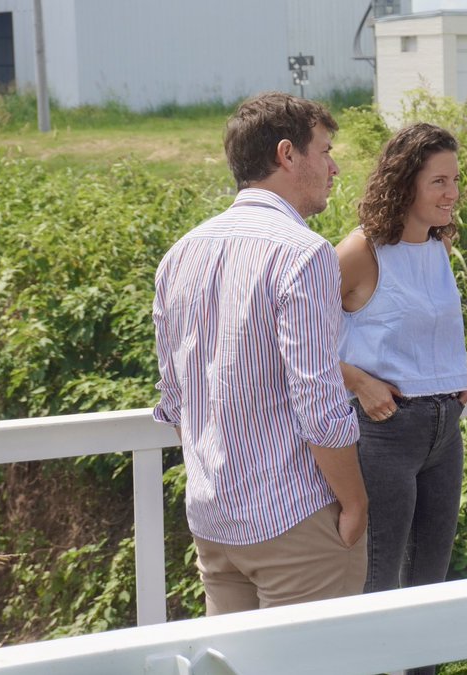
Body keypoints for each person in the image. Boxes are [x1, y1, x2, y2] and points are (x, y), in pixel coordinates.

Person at [152, 92, 368, 615]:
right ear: (288, 154)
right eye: (326, 151)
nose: (335, 167)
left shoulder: (180, 254)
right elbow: (318, 401)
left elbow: (176, 398)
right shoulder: (303, 253)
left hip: (213, 521)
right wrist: (356, 502)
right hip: (293, 520)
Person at [334, 123, 467, 617]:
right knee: (379, 585)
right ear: (405, 181)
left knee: (430, 590)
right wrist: (359, 381)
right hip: (383, 434)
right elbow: (291, 335)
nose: (452, 193)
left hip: (444, 432)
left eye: (455, 180)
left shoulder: (439, 248)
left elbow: (432, 334)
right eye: (439, 181)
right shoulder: (360, 252)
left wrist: (455, 379)